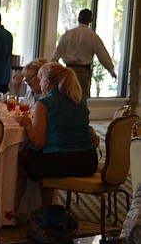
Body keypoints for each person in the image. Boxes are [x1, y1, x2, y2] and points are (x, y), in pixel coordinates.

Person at [15, 62, 98, 209]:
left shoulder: (44, 103)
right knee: (40, 159)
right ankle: (46, 209)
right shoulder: (78, 100)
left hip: (63, 161)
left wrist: (28, 125)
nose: (40, 84)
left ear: (46, 82)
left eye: (41, 79)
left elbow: (38, 141)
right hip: (89, 161)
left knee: (22, 160)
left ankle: (16, 210)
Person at [51, 8, 117, 99]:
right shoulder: (92, 36)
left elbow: (55, 56)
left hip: (68, 71)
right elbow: (103, 56)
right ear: (91, 20)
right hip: (83, 72)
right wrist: (111, 70)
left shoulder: (68, 34)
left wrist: (54, 73)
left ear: (78, 19)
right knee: (80, 99)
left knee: (66, 97)